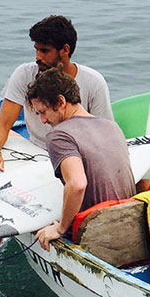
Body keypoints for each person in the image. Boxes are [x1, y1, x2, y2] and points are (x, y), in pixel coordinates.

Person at [0, 15, 114, 177]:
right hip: (35, 152)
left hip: (77, 157)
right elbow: (2, 123)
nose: (38, 56)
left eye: (44, 51)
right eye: (36, 49)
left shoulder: (94, 82)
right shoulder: (25, 74)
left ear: (65, 50)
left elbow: (105, 136)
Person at [25, 67, 135, 251]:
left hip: (98, 236)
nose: (43, 120)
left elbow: (77, 185)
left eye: (43, 112)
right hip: (132, 227)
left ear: (61, 101)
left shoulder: (59, 135)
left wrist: (60, 229)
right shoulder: (112, 126)